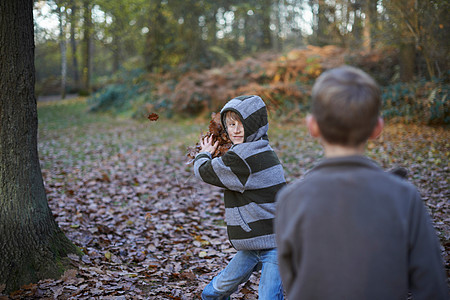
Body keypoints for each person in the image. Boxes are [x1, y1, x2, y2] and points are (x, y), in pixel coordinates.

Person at [275, 65, 449, 299]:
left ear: (312, 126)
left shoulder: (290, 199)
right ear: (378, 127)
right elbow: (432, 287)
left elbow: (291, 280)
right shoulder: (404, 197)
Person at [194, 95, 286, 299]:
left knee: (269, 296)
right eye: (230, 124)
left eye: (241, 124)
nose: (235, 130)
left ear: (255, 126)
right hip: (254, 242)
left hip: (275, 242)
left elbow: (204, 171)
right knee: (213, 293)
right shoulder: (261, 148)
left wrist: (205, 153)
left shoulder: (244, 157)